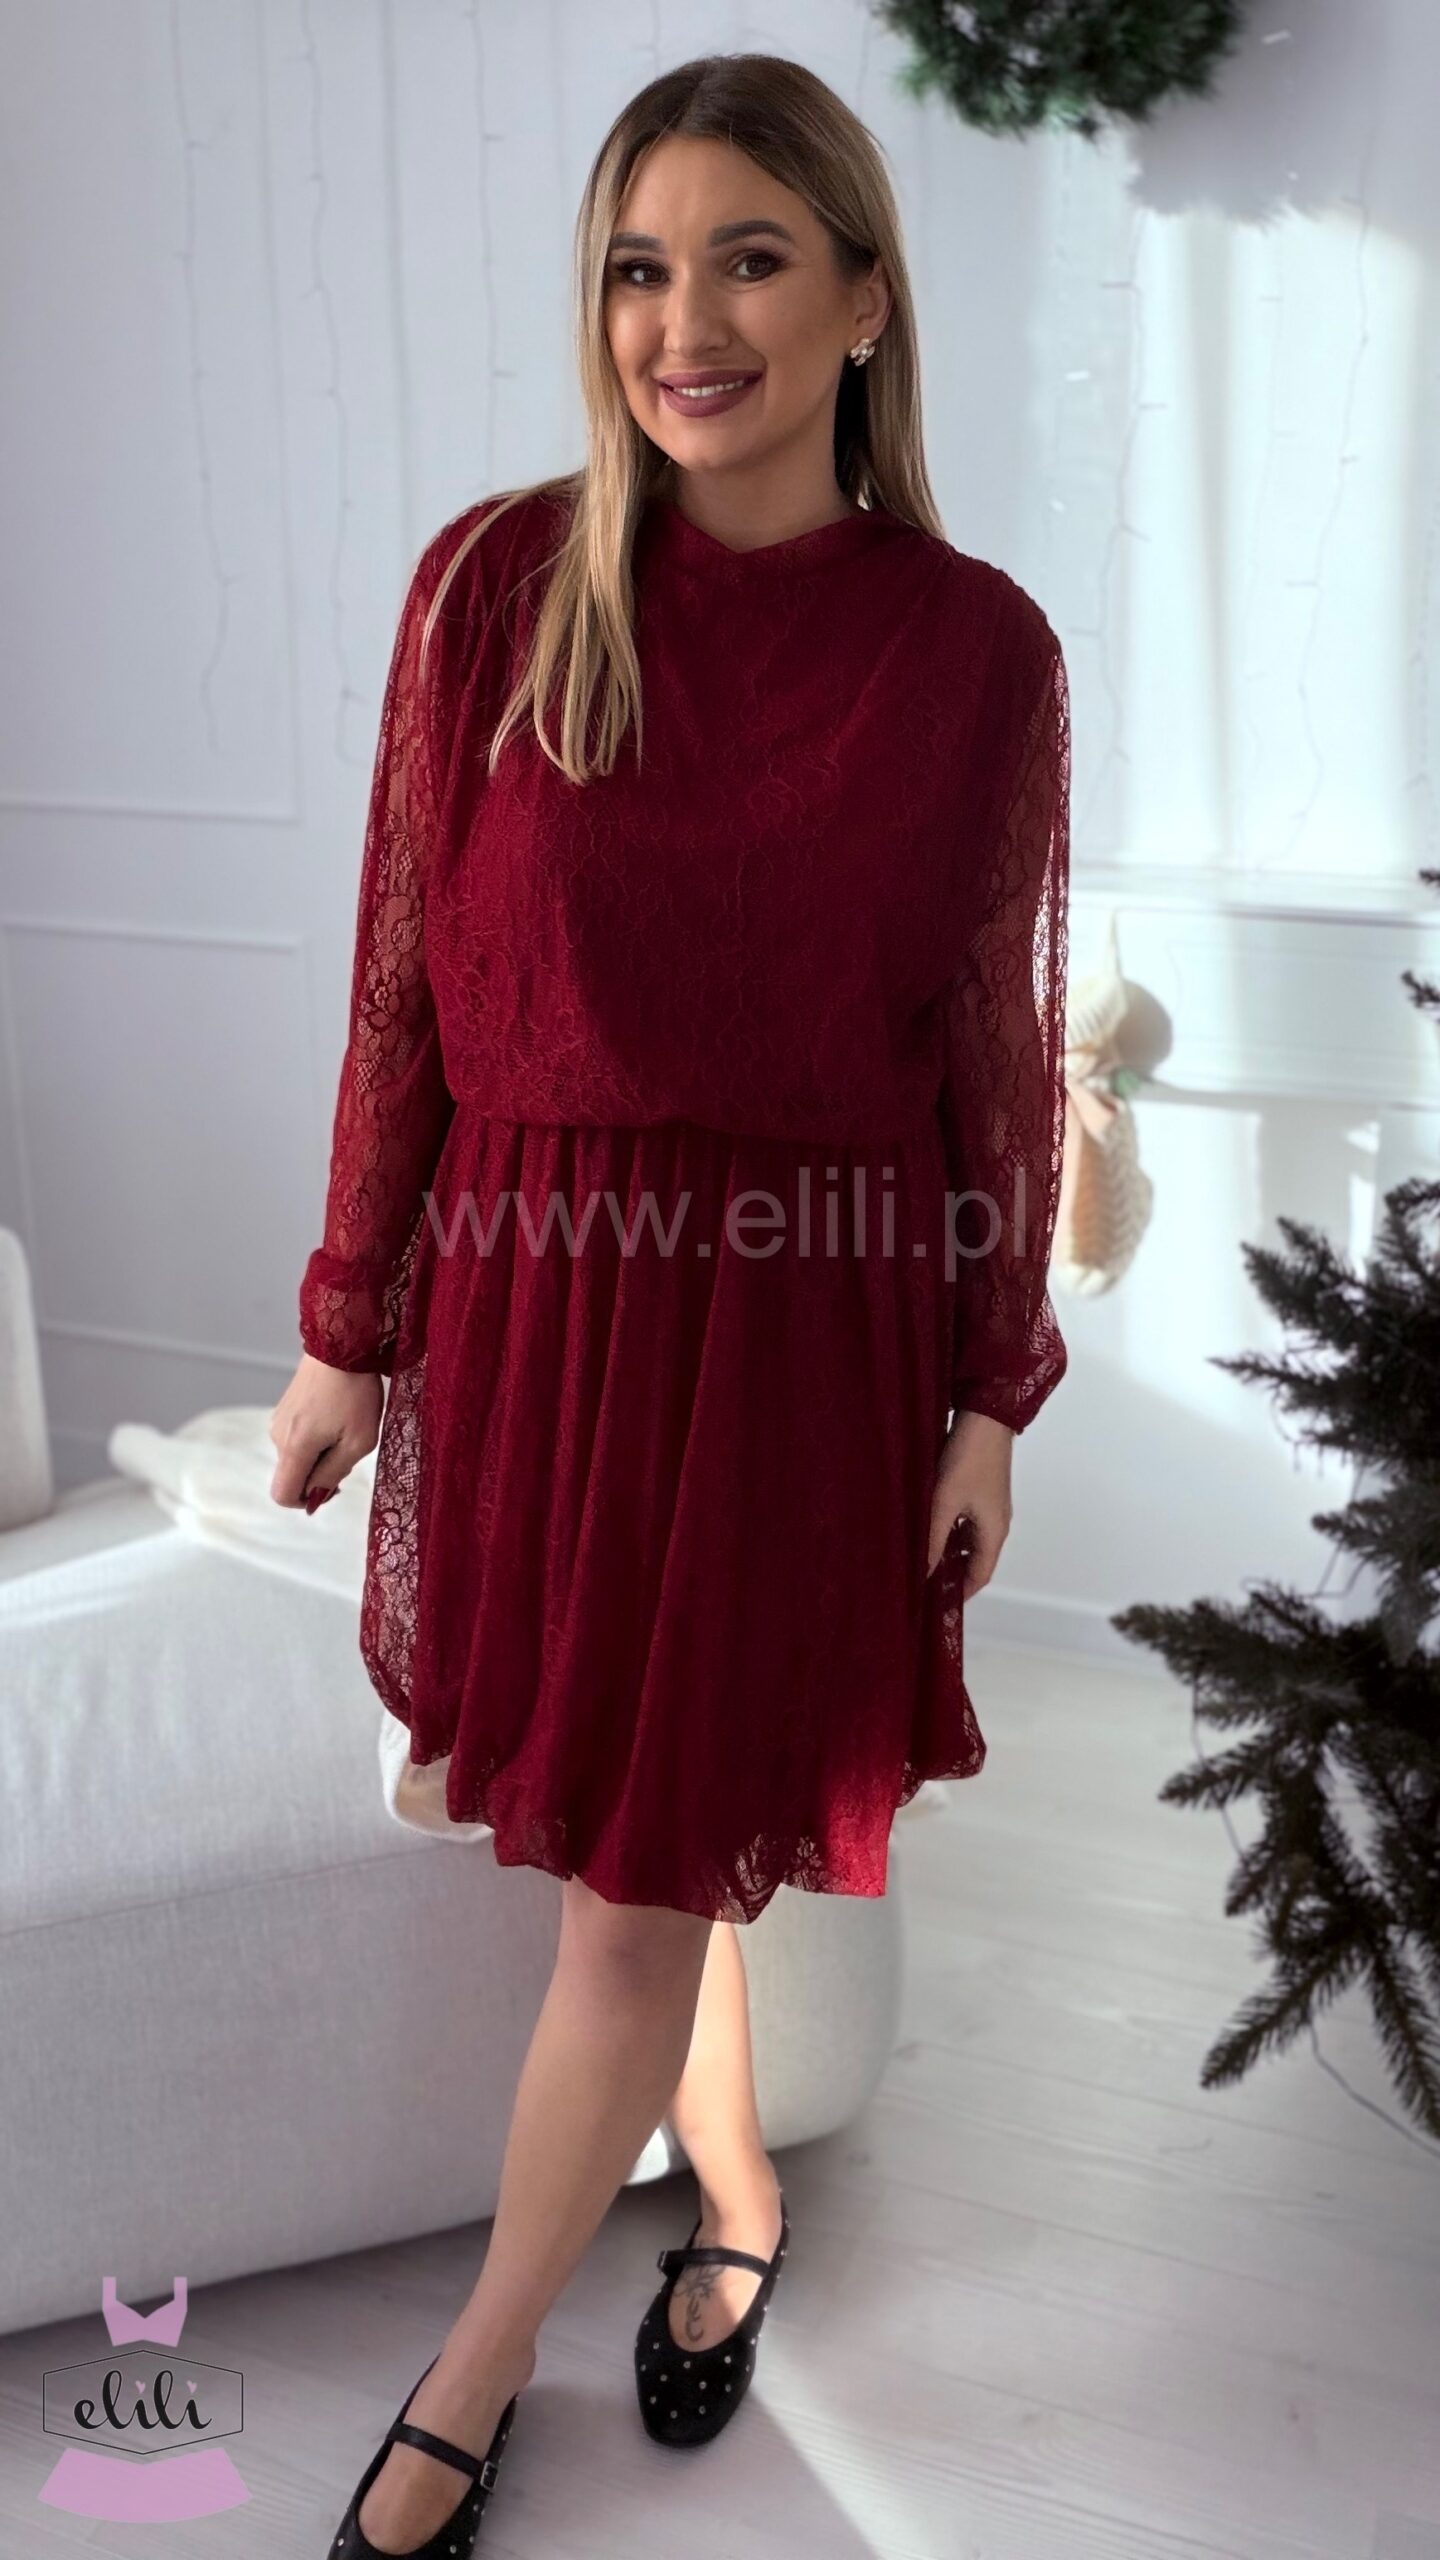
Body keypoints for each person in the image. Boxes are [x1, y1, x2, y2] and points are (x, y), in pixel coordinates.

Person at [268, 49, 1070, 2560]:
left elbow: (990, 1050)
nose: (683, 323)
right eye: (639, 266)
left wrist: (989, 1385)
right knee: (637, 1831)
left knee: (633, 1892)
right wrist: (349, 1317)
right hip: (536, 1313)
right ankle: (734, 2199)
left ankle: (469, 2380)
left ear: (864, 299)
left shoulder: (970, 651)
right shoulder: (498, 587)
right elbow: (401, 989)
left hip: (793, 1344)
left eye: (747, 259)